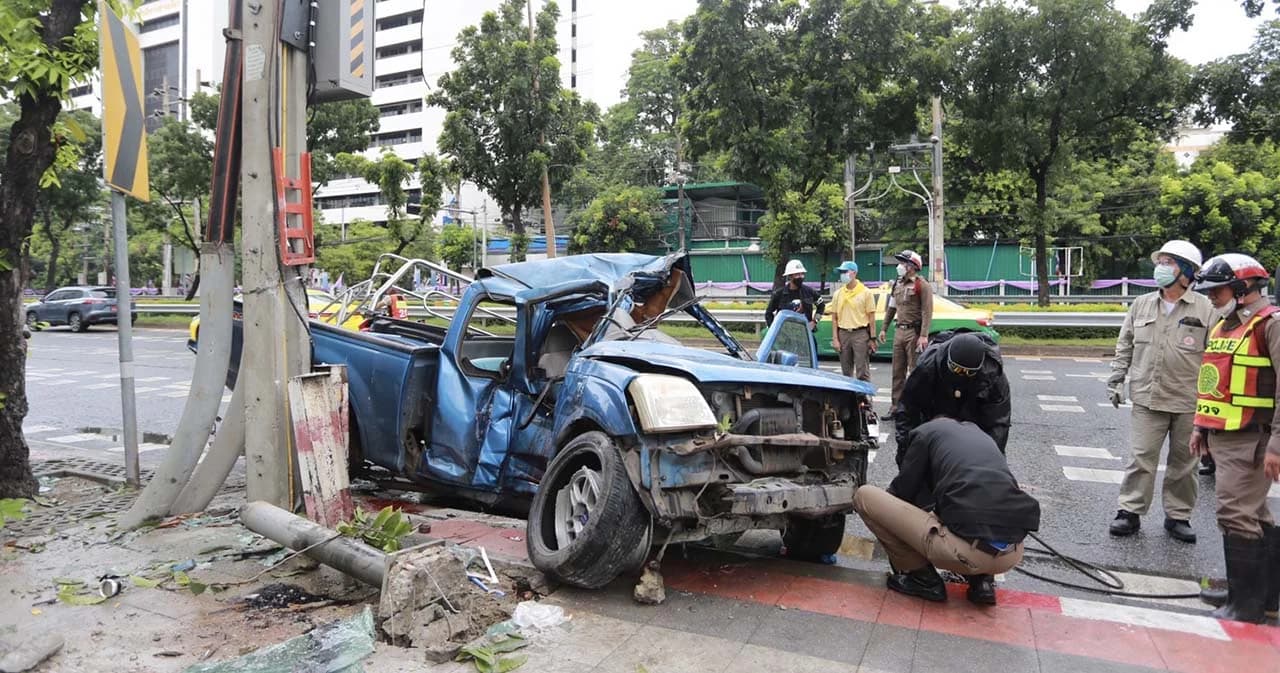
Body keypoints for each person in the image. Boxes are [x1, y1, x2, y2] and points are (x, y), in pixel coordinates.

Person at [853, 417, 1041, 606]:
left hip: (965, 555)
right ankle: (982, 582)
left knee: (865, 496)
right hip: (1011, 554)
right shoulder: (978, 434)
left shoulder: (924, 434)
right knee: (976, 512)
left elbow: (902, 493)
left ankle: (923, 580)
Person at [1189, 253, 1280, 624]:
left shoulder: (1269, 324)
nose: (1211, 296)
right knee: (1255, 514)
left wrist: (1277, 443)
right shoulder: (1226, 326)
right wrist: (1201, 427)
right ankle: (1262, 596)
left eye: (1218, 289)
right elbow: (1213, 382)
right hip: (1225, 435)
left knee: (1234, 513)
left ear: (1243, 289)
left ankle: (1245, 606)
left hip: (1252, 437)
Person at [1106, 241, 1214, 543]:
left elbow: (1216, 358)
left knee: (1185, 463)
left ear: (1188, 272)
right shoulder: (1141, 304)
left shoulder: (1205, 309)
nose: (1161, 267)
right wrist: (1115, 380)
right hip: (1147, 396)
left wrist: (1212, 400)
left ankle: (1178, 516)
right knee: (1140, 458)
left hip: (1188, 399)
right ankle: (1129, 512)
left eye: (1169, 262)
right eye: (1161, 261)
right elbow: (1124, 344)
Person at [893, 330, 1010, 461]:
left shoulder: (993, 375)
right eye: (956, 369)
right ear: (947, 360)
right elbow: (908, 409)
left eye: (968, 372)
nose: (961, 374)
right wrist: (906, 452)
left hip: (974, 418)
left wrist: (991, 459)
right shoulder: (928, 366)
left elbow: (999, 423)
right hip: (935, 413)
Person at [879, 250, 933, 420]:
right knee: (897, 372)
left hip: (913, 333)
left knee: (915, 372)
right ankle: (895, 407)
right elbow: (891, 308)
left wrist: (923, 335)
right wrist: (884, 328)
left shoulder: (921, 285)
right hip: (899, 331)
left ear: (911, 267)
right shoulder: (898, 284)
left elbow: (927, 312)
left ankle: (915, 409)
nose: (899, 266)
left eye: (903, 263)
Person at [828, 261, 877, 382]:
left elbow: (871, 318)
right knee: (846, 371)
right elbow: (834, 318)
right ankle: (848, 399)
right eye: (841, 272)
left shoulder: (865, 293)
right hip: (843, 333)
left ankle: (864, 398)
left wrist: (872, 338)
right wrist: (835, 338)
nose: (842, 275)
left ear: (854, 273)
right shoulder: (838, 294)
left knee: (862, 370)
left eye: (845, 272)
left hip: (860, 334)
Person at [765, 259, 820, 329]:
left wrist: (815, 321)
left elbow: (821, 306)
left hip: (805, 334)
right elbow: (768, 313)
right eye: (797, 274)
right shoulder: (779, 294)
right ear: (790, 276)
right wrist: (774, 329)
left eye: (802, 274)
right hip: (786, 334)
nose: (801, 277)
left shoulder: (809, 292)